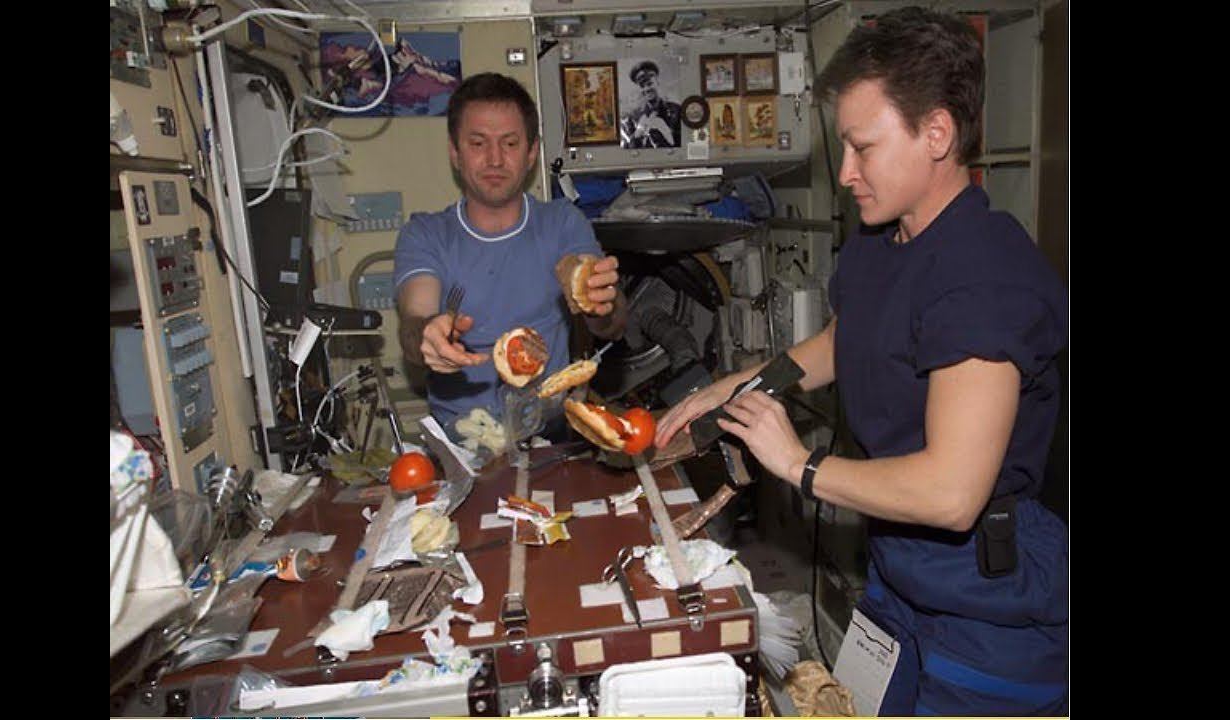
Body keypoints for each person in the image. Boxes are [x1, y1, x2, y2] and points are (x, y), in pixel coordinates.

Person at [655, 7, 1067, 716]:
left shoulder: (985, 277)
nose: (845, 173)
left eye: (862, 147)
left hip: (987, 599)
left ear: (937, 133)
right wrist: (731, 390)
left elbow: (951, 493)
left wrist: (798, 465)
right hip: (899, 567)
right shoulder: (886, 240)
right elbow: (840, 344)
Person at [394, 73, 628, 433]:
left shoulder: (562, 223)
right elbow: (415, 320)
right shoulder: (425, 234)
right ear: (455, 153)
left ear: (531, 153)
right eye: (478, 143)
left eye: (510, 143)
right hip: (461, 439)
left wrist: (601, 304)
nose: (495, 159)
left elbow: (612, 323)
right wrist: (428, 335)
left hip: (549, 434)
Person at [620, 61, 683, 149]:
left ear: (657, 82)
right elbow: (626, 150)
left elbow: (683, 145)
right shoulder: (633, 117)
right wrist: (638, 134)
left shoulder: (677, 110)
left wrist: (666, 133)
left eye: (650, 84)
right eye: (642, 86)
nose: (646, 89)